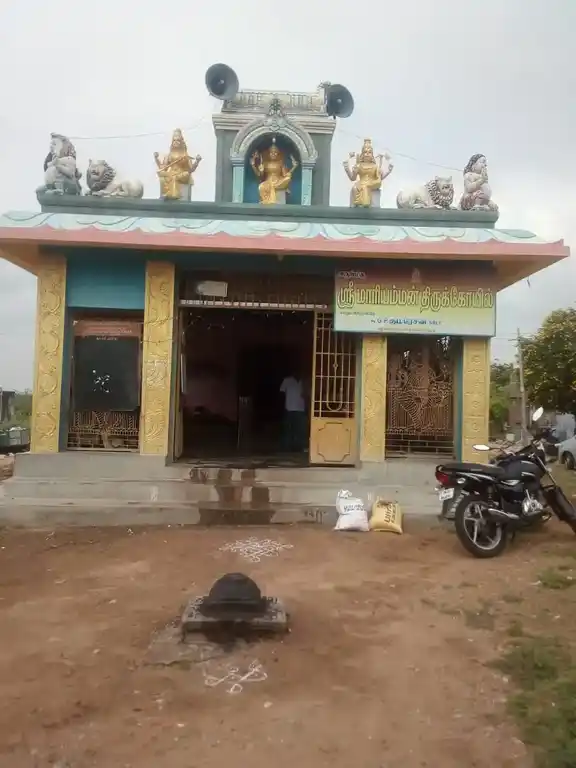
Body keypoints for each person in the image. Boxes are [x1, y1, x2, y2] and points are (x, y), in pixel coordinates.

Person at [279, 369, 307, 452]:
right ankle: (286, 448)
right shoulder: (287, 380)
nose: (298, 373)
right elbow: (281, 394)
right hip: (289, 408)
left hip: (301, 409)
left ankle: (298, 448)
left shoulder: (304, 382)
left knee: (299, 430)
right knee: (288, 429)